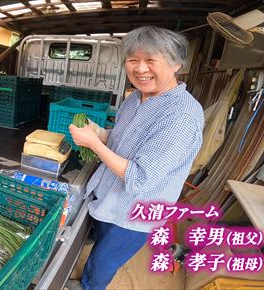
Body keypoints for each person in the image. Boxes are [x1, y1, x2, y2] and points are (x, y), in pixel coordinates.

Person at [68, 26, 204, 290]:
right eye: (133, 60)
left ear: (176, 64)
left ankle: (89, 287)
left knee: (105, 260)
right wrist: (102, 134)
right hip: (109, 197)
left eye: (151, 60)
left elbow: (140, 177)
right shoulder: (135, 99)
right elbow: (122, 139)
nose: (140, 69)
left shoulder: (181, 115)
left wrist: (94, 144)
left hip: (134, 211)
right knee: (100, 241)